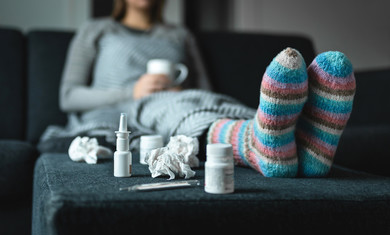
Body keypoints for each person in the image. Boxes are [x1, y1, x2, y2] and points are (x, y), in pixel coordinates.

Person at [41, 0, 356, 178]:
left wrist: (180, 92)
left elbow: (205, 90)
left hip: (182, 103)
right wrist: (132, 93)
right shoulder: (96, 30)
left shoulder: (180, 35)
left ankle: (303, 151)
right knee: (165, 106)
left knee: (212, 102)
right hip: (124, 111)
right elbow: (68, 96)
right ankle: (256, 143)